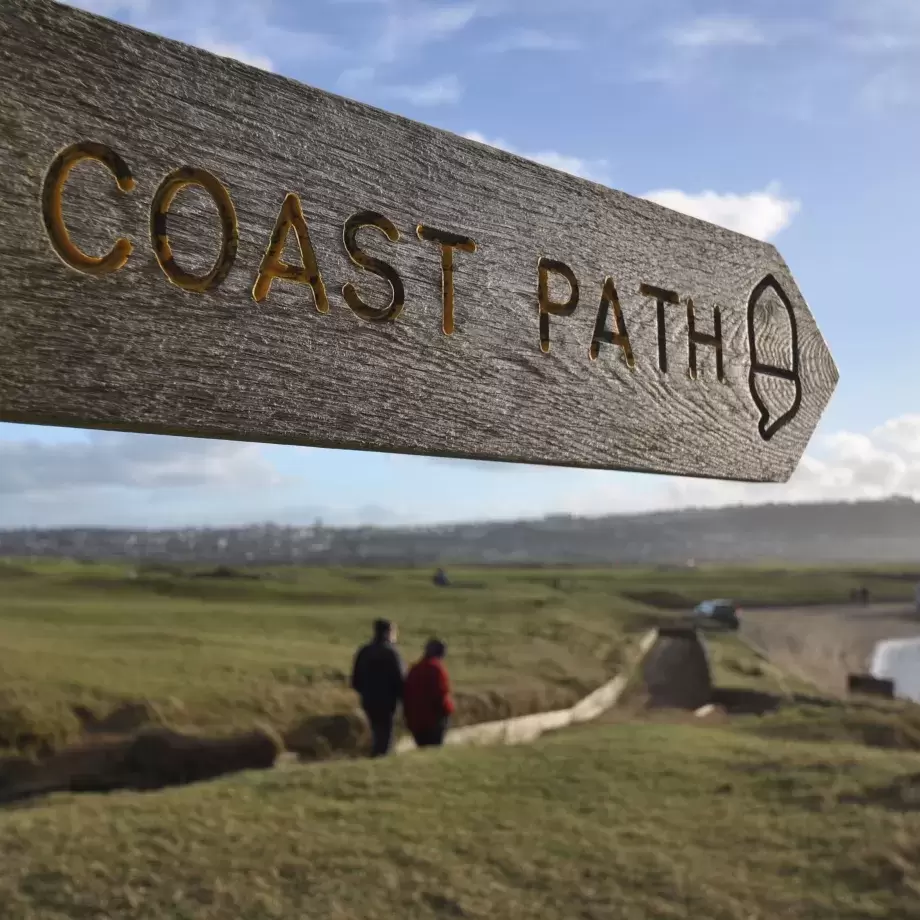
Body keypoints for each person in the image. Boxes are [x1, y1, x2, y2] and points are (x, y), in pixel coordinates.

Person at [350, 619, 406, 757]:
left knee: (376, 731)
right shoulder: (392, 653)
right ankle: (381, 758)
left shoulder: (364, 651)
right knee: (385, 734)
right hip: (387, 701)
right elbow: (400, 679)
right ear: (388, 633)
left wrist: (364, 692)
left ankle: (376, 755)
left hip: (368, 700)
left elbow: (355, 680)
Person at [403, 638, 455, 748]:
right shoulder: (437, 669)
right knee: (434, 749)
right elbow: (441, 695)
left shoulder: (414, 668)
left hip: (416, 720)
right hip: (433, 720)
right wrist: (449, 710)